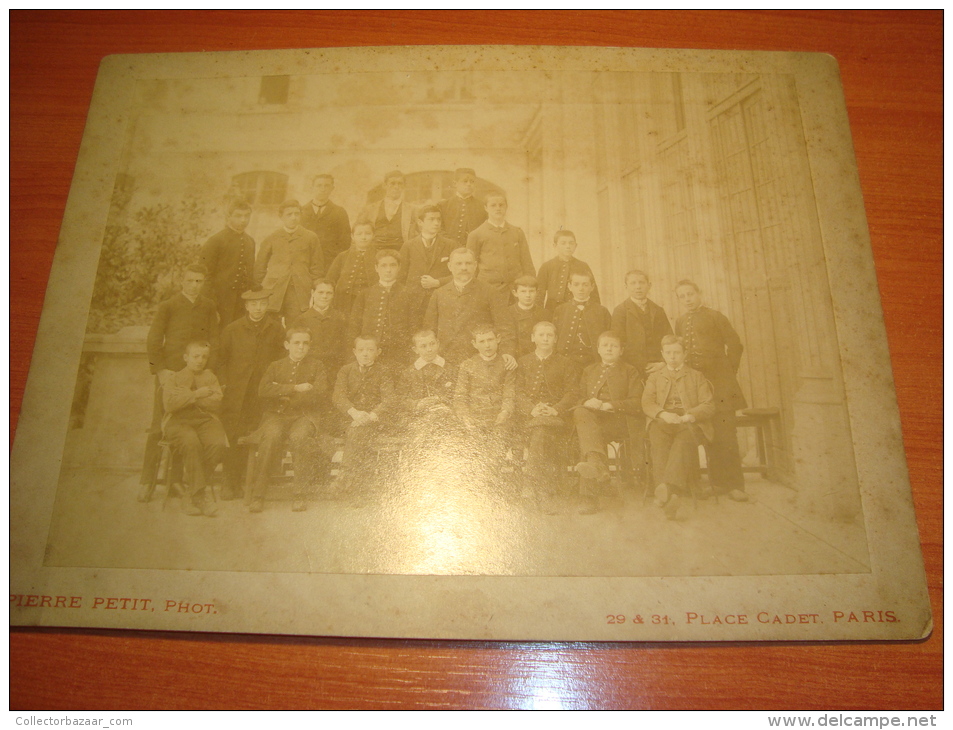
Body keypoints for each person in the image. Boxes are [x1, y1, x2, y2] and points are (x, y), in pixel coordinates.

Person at [139, 263, 220, 502]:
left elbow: (214, 339)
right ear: (182, 282)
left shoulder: (208, 306)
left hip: (196, 375)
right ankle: (147, 482)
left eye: (199, 281)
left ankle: (176, 482)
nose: (195, 285)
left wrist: (207, 370)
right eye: (190, 281)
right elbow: (154, 338)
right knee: (159, 426)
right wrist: (161, 370)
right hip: (171, 374)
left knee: (188, 425)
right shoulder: (169, 306)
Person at [674, 280, 748, 502]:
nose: (687, 299)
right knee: (707, 431)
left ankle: (735, 485)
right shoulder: (680, 321)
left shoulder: (716, 316)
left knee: (726, 434)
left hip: (722, 384)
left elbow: (736, 345)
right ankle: (716, 484)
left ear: (699, 293)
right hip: (697, 386)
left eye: (690, 294)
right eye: (682, 296)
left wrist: (727, 372)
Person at [215, 287, 286, 499]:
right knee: (234, 435)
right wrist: (225, 384)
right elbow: (220, 361)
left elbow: (281, 361)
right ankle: (230, 482)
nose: (258, 308)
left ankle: (253, 483)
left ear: (267, 305)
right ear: (246, 306)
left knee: (258, 434)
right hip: (237, 394)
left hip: (262, 394)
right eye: (253, 304)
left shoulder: (276, 329)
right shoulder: (232, 329)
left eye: (262, 303)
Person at [250, 327, 330, 513]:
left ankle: (299, 494)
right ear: (287, 345)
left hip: (304, 416)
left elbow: (320, 393)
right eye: (296, 343)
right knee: (270, 437)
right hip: (277, 415)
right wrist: (295, 388)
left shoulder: (317, 366)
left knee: (300, 438)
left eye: (305, 343)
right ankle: (258, 495)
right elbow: (263, 390)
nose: (301, 347)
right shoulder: (275, 366)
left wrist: (282, 391)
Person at [642, 335, 716, 520]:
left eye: (676, 352)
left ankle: (666, 491)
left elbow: (708, 405)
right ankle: (672, 496)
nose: (672, 357)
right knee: (658, 442)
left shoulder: (696, 376)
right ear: (662, 354)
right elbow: (647, 402)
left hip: (689, 421)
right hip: (663, 420)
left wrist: (689, 415)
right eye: (668, 353)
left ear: (685, 354)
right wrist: (663, 414)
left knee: (683, 441)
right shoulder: (655, 377)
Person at [572, 330, 642, 515]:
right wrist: (587, 402)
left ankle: (589, 496)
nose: (609, 348)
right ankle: (597, 470)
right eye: (605, 345)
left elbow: (637, 402)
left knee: (587, 438)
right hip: (593, 421)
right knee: (582, 413)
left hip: (618, 422)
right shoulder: (589, 370)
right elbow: (578, 397)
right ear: (598, 349)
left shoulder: (630, 370)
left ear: (621, 350)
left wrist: (609, 404)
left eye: (614, 346)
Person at [515, 321, 578, 513]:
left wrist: (556, 409)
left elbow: (573, 392)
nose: (545, 339)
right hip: (530, 417)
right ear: (533, 338)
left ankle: (533, 486)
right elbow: (516, 391)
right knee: (541, 430)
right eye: (541, 335)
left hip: (557, 417)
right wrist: (532, 408)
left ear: (556, 339)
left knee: (542, 430)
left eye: (549, 335)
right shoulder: (523, 362)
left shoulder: (566, 363)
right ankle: (544, 488)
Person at [161, 341, 228, 517]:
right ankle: (200, 497)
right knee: (191, 443)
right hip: (178, 422)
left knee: (218, 443)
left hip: (205, 420)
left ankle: (192, 492)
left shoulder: (210, 377)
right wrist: (196, 395)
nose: (200, 360)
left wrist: (185, 398)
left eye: (204, 357)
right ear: (186, 357)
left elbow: (217, 403)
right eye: (195, 356)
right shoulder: (174, 378)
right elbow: (170, 404)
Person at [423, 247, 515, 367]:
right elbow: (429, 329)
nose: (464, 268)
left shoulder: (489, 291)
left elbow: (505, 326)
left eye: (468, 263)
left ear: (475, 265)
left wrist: (507, 352)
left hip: (479, 359)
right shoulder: (439, 294)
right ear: (450, 266)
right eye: (459, 264)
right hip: (446, 358)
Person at [332, 335, 396, 496]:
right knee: (357, 433)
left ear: (378, 352)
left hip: (375, 420)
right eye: (361, 350)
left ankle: (345, 478)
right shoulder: (345, 370)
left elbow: (389, 399)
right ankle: (358, 487)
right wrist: (354, 413)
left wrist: (371, 415)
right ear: (354, 352)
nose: (365, 354)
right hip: (350, 419)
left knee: (358, 433)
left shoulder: (384, 371)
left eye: (370, 350)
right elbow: (338, 396)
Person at [453, 324, 516, 474]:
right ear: (474, 344)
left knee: (497, 445)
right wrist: (466, 417)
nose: (487, 345)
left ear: (498, 340)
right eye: (481, 341)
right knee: (472, 448)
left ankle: (489, 482)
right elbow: (459, 397)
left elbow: (509, 393)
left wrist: (505, 412)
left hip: (499, 418)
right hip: (475, 417)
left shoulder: (506, 364)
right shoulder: (467, 365)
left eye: (490, 340)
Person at [254, 199, 325, 323]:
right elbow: (260, 266)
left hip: (299, 291)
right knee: (271, 325)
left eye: (297, 214)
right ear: (281, 216)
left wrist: (315, 286)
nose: (293, 218)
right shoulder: (272, 237)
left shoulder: (310, 237)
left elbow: (317, 267)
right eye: (289, 214)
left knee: (296, 326)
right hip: (274, 291)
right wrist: (261, 289)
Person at [348, 249, 413, 369]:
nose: (388, 270)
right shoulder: (365, 294)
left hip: (399, 353)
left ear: (399, 267)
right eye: (383, 266)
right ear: (376, 268)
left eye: (393, 265)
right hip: (370, 353)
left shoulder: (408, 293)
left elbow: (414, 326)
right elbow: (354, 326)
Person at [200, 200, 256, 329]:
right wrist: (211, 306)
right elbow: (205, 277)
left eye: (246, 216)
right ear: (228, 217)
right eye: (238, 216)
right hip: (220, 301)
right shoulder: (216, 241)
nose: (243, 220)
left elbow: (250, 273)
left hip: (242, 302)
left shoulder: (250, 242)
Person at [466, 191, 535, 295]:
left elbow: (527, 263)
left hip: (515, 290)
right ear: (486, 208)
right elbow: (470, 267)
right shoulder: (476, 234)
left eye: (501, 205)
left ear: (506, 207)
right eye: (493, 205)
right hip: (488, 289)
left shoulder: (517, 232)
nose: (498, 208)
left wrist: (529, 285)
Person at [398, 204, 456, 327]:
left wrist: (438, 282)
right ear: (420, 222)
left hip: (441, 300)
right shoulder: (408, 246)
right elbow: (400, 278)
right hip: (414, 302)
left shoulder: (451, 245)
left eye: (438, 219)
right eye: (431, 219)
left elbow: (459, 275)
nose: (436, 223)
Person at [611, 269, 673, 376]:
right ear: (626, 287)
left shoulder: (658, 310)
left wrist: (663, 362)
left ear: (649, 285)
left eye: (641, 282)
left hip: (658, 366)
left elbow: (669, 339)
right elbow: (617, 342)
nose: (638, 287)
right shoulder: (620, 311)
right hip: (631, 368)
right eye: (633, 283)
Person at [553, 271, 611, 367]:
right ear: (569, 286)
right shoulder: (560, 310)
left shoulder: (602, 311)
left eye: (585, 285)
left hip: (594, 364)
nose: (581, 288)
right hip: (566, 363)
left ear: (592, 287)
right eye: (576, 285)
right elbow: (554, 339)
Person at [291, 279, 348, 378]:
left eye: (329, 293)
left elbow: (346, 345)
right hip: (309, 368)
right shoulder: (302, 319)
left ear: (333, 295)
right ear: (313, 293)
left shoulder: (340, 318)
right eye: (320, 292)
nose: (324, 296)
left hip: (335, 368)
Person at [397, 329, 457, 421]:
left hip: (445, 414)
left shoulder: (450, 368)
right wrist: (417, 404)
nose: (429, 349)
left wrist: (440, 399)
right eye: (423, 346)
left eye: (432, 344)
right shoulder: (408, 373)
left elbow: (458, 394)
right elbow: (400, 399)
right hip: (418, 417)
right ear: (415, 350)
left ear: (438, 343)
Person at [535, 230, 601, 310]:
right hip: (552, 311)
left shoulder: (583, 266)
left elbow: (593, 293)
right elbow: (539, 294)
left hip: (576, 310)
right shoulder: (547, 266)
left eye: (571, 243)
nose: (568, 246)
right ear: (555, 245)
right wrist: (539, 314)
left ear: (575, 246)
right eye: (563, 243)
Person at [326, 218, 379, 316]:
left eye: (367, 233)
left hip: (370, 303)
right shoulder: (342, 257)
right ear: (352, 236)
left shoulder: (380, 257)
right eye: (359, 234)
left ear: (373, 235)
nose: (363, 237)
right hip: (344, 304)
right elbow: (330, 280)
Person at [300, 173, 351, 264]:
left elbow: (345, 242)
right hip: (304, 261)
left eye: (326, 186)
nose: (323, 189)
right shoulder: (301, 211)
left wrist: (336, 261)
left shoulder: (339, 212)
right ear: (312, 187)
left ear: (332, 188)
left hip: (329, 262)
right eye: (319, 185)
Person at [361, 170, 416, 250]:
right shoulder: (370, 209)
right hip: (375, 250)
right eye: (392, 183)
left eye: (400, 183)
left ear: (404, 186)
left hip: (401, 251)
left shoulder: (412, 210)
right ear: (385, 185)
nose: (396, 187)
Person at [501, 275, 551, 359]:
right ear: (515, 293)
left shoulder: (545, 314)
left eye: (531, 291)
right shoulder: (507, 313)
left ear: (537, 292)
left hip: (537, 357)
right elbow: (506, 340)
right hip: (515, 357)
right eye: (523, 291)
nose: (528, 295)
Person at [439, 167, 487, 246]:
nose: (469, 184)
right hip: (448, 248)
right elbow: (439, 229)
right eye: (465, 181)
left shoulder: (482, 206)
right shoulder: (443, 205)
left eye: (472, 182)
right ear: (455, 184)